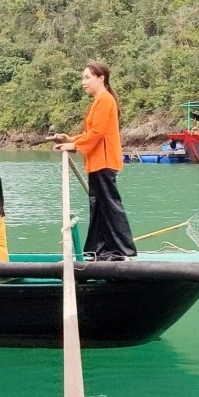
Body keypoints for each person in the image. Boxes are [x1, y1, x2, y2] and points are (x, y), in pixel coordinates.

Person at [54, 61, 136, 260]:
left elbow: (98, 133)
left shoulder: (105, 100)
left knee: (109, 204)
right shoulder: (99, 100)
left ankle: (123, 250)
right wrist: (72, 139)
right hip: (97, 161)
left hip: (104, 161)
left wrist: (74, 146)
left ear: (101, 78)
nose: (83, 82)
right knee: (98, 205)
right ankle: (98, 250)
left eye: (87, 77)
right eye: (83, 77)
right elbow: (91, 132)